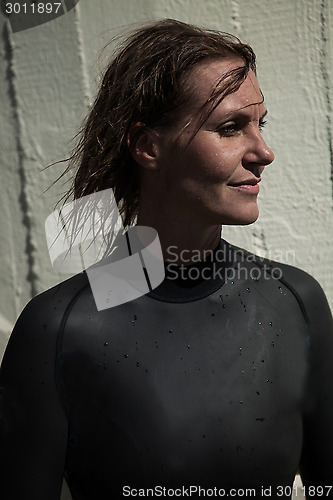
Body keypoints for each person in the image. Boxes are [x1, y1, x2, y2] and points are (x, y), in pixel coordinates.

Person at [1, 18, 333, 500]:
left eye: (261, 124)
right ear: (148, 146)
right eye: (230, 128)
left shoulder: (296, 301)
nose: (264, 151)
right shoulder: (58, 329)